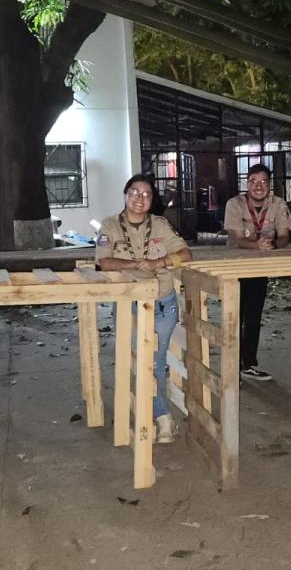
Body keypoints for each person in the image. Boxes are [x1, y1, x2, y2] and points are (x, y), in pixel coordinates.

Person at [95, 175, 193, 443]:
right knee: (139, 361)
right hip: (128, 304)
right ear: (126, 195)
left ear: (152, 200)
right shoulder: (109, 225)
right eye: (135, 193)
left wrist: (159, 262)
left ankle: (161, 417)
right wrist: (135, 264)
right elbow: (104, 262)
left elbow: (185, 254)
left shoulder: (160, 224)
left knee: (154, 361)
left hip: (162, 302)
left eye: (147, 194)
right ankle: (156, 413)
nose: (140, 199)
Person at [222, 163, 291, 381]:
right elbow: (237, 239)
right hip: (234, 268)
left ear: (269, 185)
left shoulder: (278, 204)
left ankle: (249, 364)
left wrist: (273, 244)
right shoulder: (234, 204)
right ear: (247, 184)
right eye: (253, 181)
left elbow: (284, 236)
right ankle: (231, 367)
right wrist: (257, 245)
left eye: (263, 181)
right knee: (233, 316)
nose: (259, 186)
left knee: (254, 316)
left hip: (260, 267)